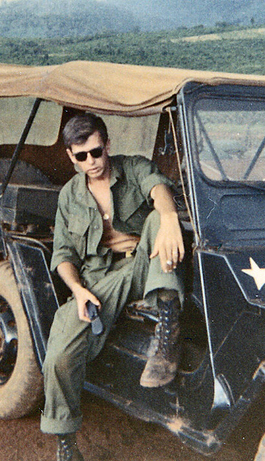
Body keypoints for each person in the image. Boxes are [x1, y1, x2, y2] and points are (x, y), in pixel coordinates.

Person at [41, 113, 185, 461]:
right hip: (98, 283)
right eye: (81, 156)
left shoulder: (132, 168)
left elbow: (159, 188)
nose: (91, 162)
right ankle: (66, 444)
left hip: (143, 266)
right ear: (70, 156)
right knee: (59, 355)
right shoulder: (69, 197)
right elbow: (62, 254)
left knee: (156, 219)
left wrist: (168, 218)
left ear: (107, 145)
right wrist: (77, 290)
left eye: (96, 152)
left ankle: (168, 333)